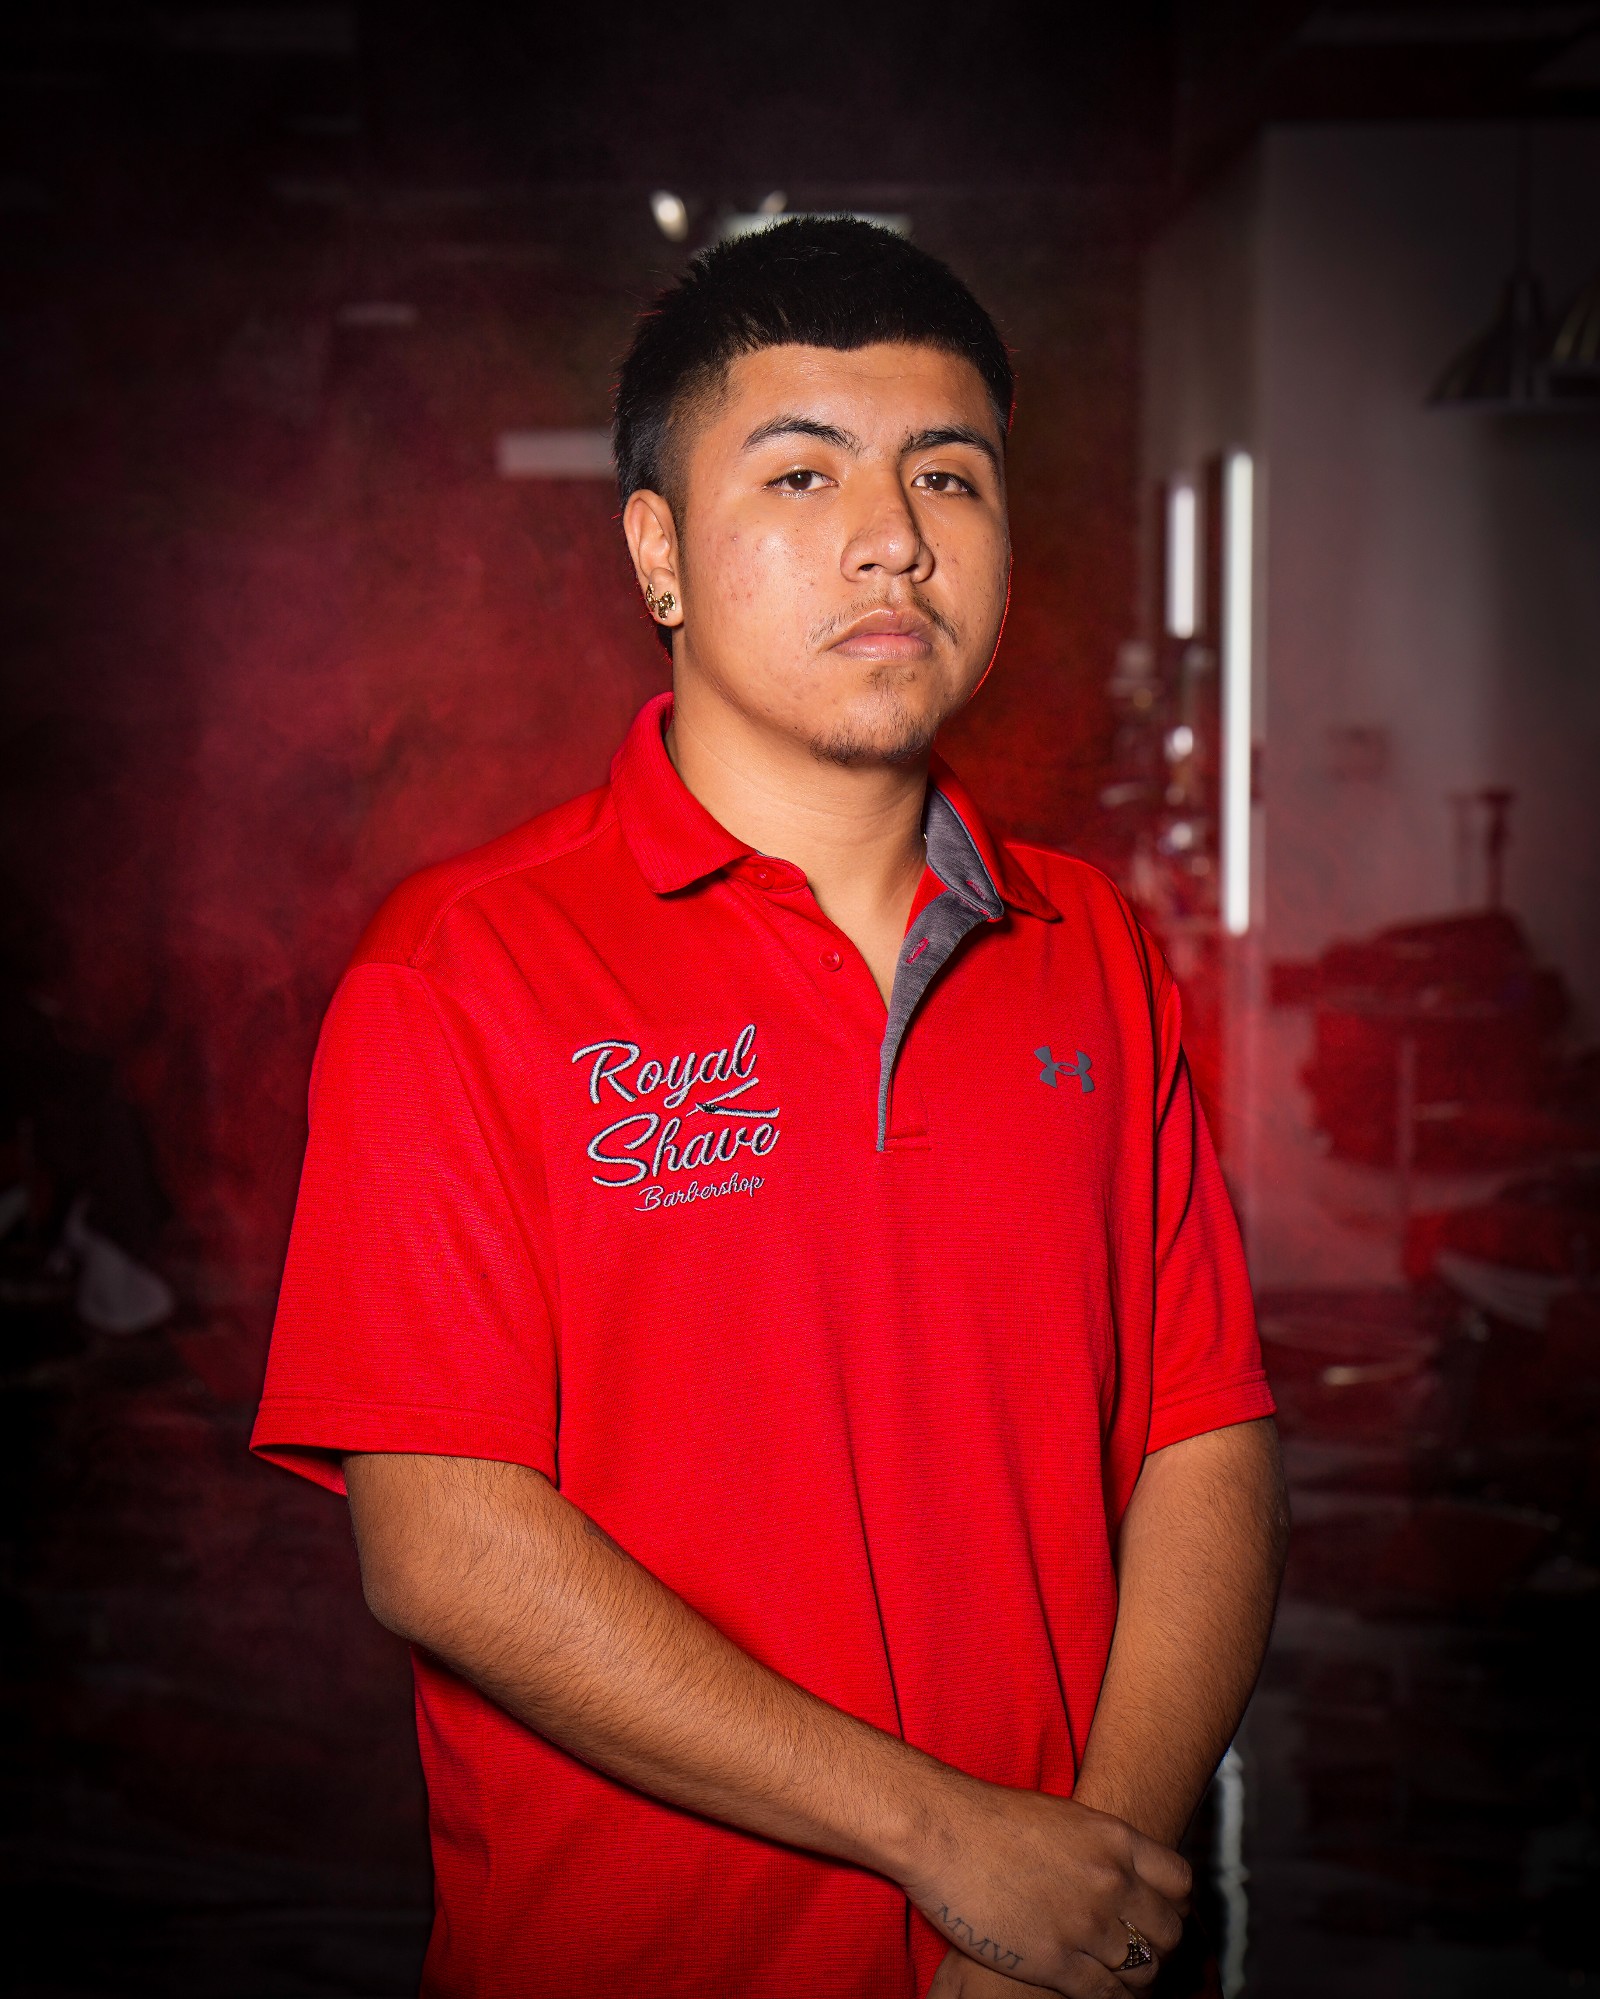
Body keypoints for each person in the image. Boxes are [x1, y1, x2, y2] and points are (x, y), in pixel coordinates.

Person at [251, 217, 1288, 1999]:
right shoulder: (466, 970)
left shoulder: (1094, 953)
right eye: (801, 474)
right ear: (657, 549)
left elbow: (1206, 1442)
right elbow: (444, 1548)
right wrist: (948, 1841)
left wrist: (1079, 1891)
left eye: (947, 476)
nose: (893, 537)